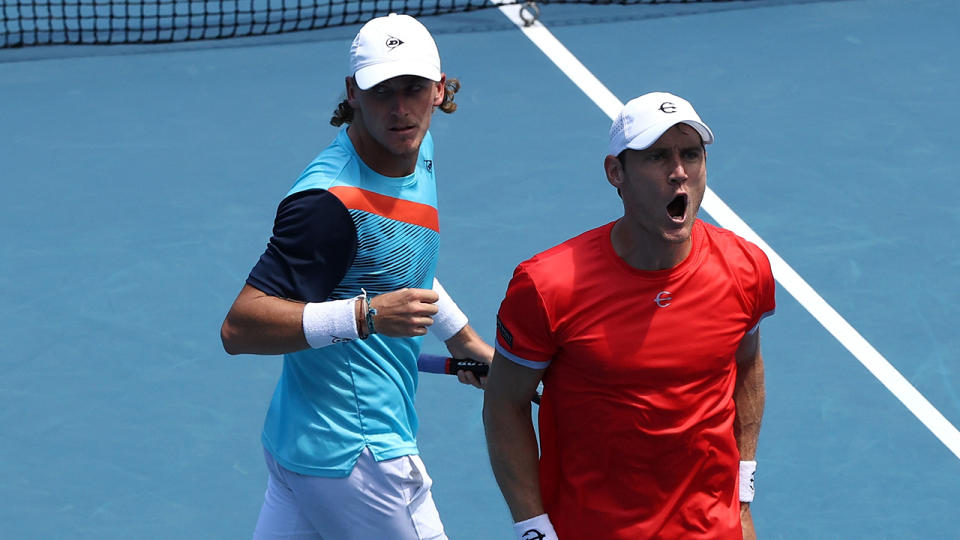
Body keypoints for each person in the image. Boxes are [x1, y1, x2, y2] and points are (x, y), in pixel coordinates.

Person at [220, 13, 492, 540]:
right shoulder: (328, 206)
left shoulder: (416, 151)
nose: (398, 108)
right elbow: (240, 328)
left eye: (412, 89)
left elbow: (400, 265)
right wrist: (364, 316)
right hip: (360, 455)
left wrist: (466, 341)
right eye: (381, 91)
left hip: (301, 445)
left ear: (438, 90)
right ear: (352, 92)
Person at [483, 92, 775, 540]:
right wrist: (534, 530)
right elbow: (505, 406)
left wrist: (742, 493)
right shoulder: (547, 287)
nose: (679, 172)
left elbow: (746, 366)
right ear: (615, 173)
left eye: (691, 154)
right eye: (657, 156)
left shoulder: (745, 268)